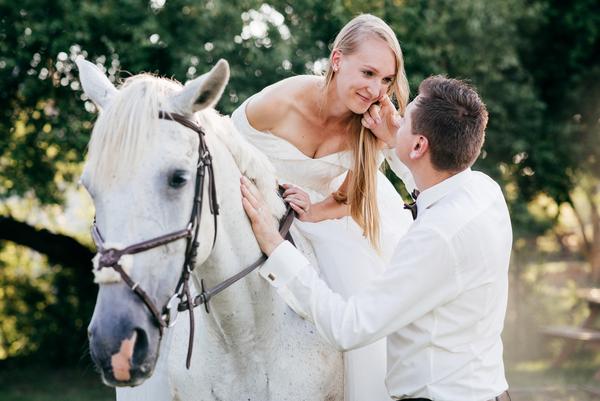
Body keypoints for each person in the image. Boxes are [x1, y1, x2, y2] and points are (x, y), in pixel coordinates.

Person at [240, 76, 513, 401]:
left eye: (404, 119)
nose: (393, 120)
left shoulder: (436, 239)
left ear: (419, 146)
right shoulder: (483, 191)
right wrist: (397, 142)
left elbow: (348, 327)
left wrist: (276, 248)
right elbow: (428, 179)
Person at [231, 14, 415, 401]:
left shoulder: (368, 125)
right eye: (368, 73)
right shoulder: (280, 102)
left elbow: (350, 197)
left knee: (358, 288)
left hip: (322, 214)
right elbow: (226, 152)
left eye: (385, 80)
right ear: (337, 60)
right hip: (258, 203)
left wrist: (313, 210)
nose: (375, 89)